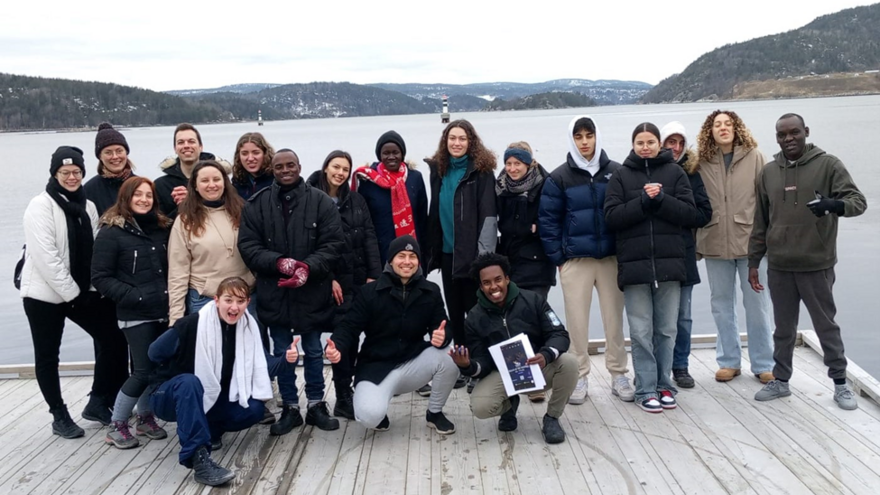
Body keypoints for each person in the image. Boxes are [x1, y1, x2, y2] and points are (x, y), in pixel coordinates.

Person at [750, 113, 867, 410]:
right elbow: (761, 221)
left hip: (816, 263)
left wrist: (834, 205)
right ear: (776, 137)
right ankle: (781, 380)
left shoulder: (828, 165)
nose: (789, 139)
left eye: (794, 133)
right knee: (783, 328)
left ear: (806, 132)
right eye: (782, 134)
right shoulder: (768, 172)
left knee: (825, 326)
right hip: (779, 265)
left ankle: (840, 384)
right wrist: (754, 262)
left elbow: (858, 202)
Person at [19, 146, 129, 437]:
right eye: (65, 172)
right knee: (47, 355)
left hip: (78, 290)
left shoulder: (88, 206)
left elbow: (94, 252)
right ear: (55, 173)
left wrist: (94, 289)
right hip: (43, 294)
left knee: (113, 338)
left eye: (76, 172)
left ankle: (97, 400)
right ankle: (59, 414)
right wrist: (77, 295)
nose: (71, 177)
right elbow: (47, 259)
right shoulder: (39, 206)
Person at [148, 277, 299, 486]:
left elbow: (266, 365)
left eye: (240, 301)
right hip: (167, 395)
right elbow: (154, 353)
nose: (234, 307)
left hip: (210, 396)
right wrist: (178, 367)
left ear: (247, 302)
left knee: (253, 409)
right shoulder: (191, 324)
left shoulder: (248, 328)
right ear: (217, 300)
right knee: (190, 382)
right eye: (228, 300)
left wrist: (287, 359)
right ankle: (199, 459)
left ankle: (210, 429)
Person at [238, 148, 345, 435]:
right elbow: (247, 246)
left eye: (290, 165)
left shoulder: (320, 202)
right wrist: (278, 263)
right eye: (279, 166)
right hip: (275, 292)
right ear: (272, 170)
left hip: (312, 290)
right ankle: (289, 407)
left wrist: (307, 268)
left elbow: (333, 244)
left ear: (299, 166)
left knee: (312, 350)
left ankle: (315, 404)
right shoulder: (256, 205)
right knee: (283, 351)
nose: (285, 170)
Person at [604, 123, 700, 413]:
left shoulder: (676, 173)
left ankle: (663, 384)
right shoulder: (621, 175)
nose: (645, 147)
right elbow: (611, 217)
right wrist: (643, 202)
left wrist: (661, 200)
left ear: (660, 144)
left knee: (667, 330)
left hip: (671, 264)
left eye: (651, 141)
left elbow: (692, 214)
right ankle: (645, 388)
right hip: (635, 267)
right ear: (633, 145)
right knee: (641, 330)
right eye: (640, 142)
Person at [538, 115, 633, 404]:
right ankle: (579, 376)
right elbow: (548, 221)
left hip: (610, 258)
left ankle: (618, 374)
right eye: (578, 137)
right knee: (576, 322)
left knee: (614, 320)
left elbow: (626, 215)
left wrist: (624, 251)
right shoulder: (559, 177)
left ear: (596, 136)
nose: (584, 142)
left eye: (588, 135)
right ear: (572, 139)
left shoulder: (616, 172)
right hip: (575, 261)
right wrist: (559, 259)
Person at [325, 236, 457, 434]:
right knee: (369, 416)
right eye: (401, 256)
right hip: (376, 366)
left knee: (450, 356)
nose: (407, 261)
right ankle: (379, 404)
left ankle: (435, 412)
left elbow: (442, 324)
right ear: (390, 260)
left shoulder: (431, 290)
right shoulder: (369, 292)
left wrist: (443, 335)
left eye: (412, 256)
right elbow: (349, 326)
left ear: (418, 261)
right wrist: (336, 345)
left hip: (412, 362)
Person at [453, 252, 577, 443]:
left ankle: (552, 418)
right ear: (481, 286)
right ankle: (510, 405)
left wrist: (545, 355)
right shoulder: (474, 318)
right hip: (503, 374)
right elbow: (482, 362)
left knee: (569, 363)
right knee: (480, 407)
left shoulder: (534, 300)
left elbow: (559, 334)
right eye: (487, 283)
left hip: (536, 367)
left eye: (498, 279)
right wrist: (467, 366)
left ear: (507, 279)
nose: (493, 287)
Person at [91, 177, 172, 448]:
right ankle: (117, 424)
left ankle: (145, 418)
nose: (144, 200)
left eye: (149, 195)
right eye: (138, 194)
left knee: (156, 368)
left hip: (162, 309)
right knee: (142, 370)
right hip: (135, 313)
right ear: (126, 197)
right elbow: (100, 277)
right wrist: (134, 295)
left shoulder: (161, 228)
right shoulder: (111, 232)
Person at [695, 110, 775, 384]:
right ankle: (729, 361)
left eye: (728, 123)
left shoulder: (755, 156)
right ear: (710, 131)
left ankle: (764, 363)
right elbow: (694, 202)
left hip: (751, 245)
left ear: (737, 127)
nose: (723, 128)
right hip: (715, 242)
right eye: (717, 124)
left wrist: (768, 240)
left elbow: (769, 200)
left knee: (757, 305)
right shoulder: (701, 161)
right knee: (721, 305)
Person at [307, 150, 382, 418]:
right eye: (336, 167)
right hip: (327, 281)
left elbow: (369, 237)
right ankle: (339, 395)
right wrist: (329, 279)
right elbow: (308, 245)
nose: (340, 173)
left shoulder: (356, 200)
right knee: (339, 339)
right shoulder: (310, 197)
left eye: (345, 169)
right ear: (326, 167)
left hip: (358, 279)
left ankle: (351, 390)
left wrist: (374, 274)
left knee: (356, 337)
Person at [425, 120, 497, 390]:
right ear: (445, 142)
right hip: (447, 254)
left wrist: (484, 261)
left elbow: (489, 216)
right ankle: (463, 366)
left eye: (462, 139)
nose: (456, 143)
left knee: (477, 314)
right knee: (454, 314)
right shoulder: (439, 171)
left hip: (473, 258)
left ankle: (482, 366)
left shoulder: (481, 172)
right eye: (452, 138)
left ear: (471, 142)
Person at [167, 160, 255, 324]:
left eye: (216, 179)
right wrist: (176, 318)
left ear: (225, 182)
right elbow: (177, 272)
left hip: (244, 300)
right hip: (205, 300)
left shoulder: (243, 212)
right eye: (205, 181)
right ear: (194, 185)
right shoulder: (185, 221)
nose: (212, 185)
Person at [660, 122, 713, 388]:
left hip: (683, 253)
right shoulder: (649, 170)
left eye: (680, 142)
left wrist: (678, 212)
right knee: (655, 317)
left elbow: (704, 214)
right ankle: (655, 368)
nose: (676, 148)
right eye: (671, 142)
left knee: (682, 315)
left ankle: (680, 366)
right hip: (655, 254)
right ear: (661, 143)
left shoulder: (693, 174)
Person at [352, 130, 428, 265]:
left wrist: (424, 256)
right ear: (379, 156)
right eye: (386, 153)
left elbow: (422, 220)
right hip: (381, 254)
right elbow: (363, 223)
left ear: (402, 154)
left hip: (411, 255)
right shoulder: (368, 181)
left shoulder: (415, 178)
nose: (391, 157)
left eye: (395, 152)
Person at [496, 142, 555, 299]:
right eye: (508, 163)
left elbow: (553, 219)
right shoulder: (501, 186)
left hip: (537, 262)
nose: (512, 169)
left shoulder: (545, 184)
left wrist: (535, 227)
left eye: (517, 163)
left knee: (533, 313)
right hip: (509, 261)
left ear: (528, 164)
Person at [155, 123, 232, 218]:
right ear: (175, 149)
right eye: (181, 142)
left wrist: (196, 200)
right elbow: (160, 226)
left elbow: (231, 212)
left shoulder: (219, 181)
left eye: (191, 141)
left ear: (200, 147)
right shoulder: (161, 186)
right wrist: (182, 206)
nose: (186, 146)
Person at [84, 123, 136, 215]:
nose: (115, 157)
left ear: (126, 152)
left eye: (119, 151)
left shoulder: (140, 185)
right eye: (108, 152)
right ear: (100, 156)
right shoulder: (89, 190)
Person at [232, 132, 275, 200]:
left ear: (265, 153)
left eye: (256, 153)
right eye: (244, 154)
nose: (250, 158)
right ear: (238, 156)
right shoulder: (237, 182)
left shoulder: (276, 179)